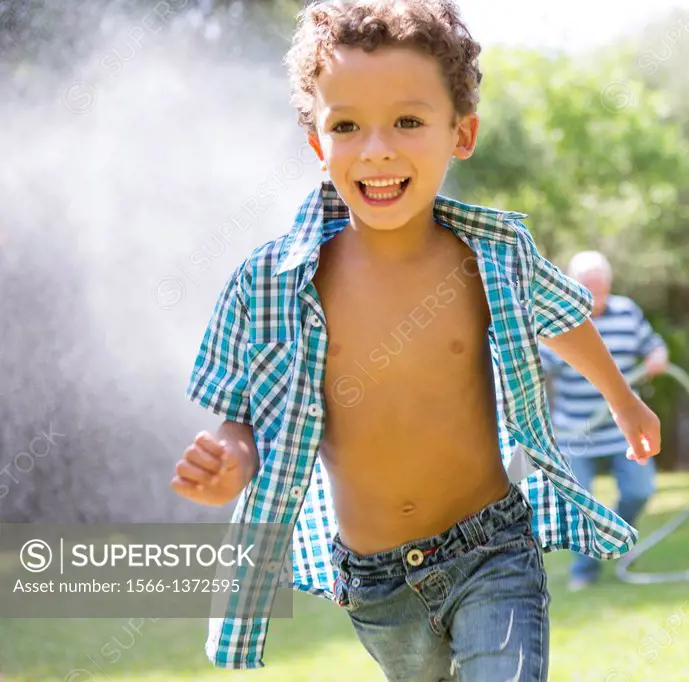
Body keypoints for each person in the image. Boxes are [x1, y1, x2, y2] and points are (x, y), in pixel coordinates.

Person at [169, 1, 661, 680]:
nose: (377, 149)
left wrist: (622, 396)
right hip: (375, 579)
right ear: (317, 142)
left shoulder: (486, 256)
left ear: (461, 133)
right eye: (347, 126)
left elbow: (562, 314)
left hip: (492, 546)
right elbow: (242, 413)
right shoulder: (271, 282)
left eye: (408, 121)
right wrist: (229, 454)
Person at [540, 250, 669, 592]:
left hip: (622, 430)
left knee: (639, 490)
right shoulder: (560, 319)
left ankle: (617, 541)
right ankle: (585, 571)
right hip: (575, 431)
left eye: (601, 288)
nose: (596, 296)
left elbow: (652, 345)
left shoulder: (627, 312)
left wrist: (657, 356)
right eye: (588, 288)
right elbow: (540, 366)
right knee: (581, 502)